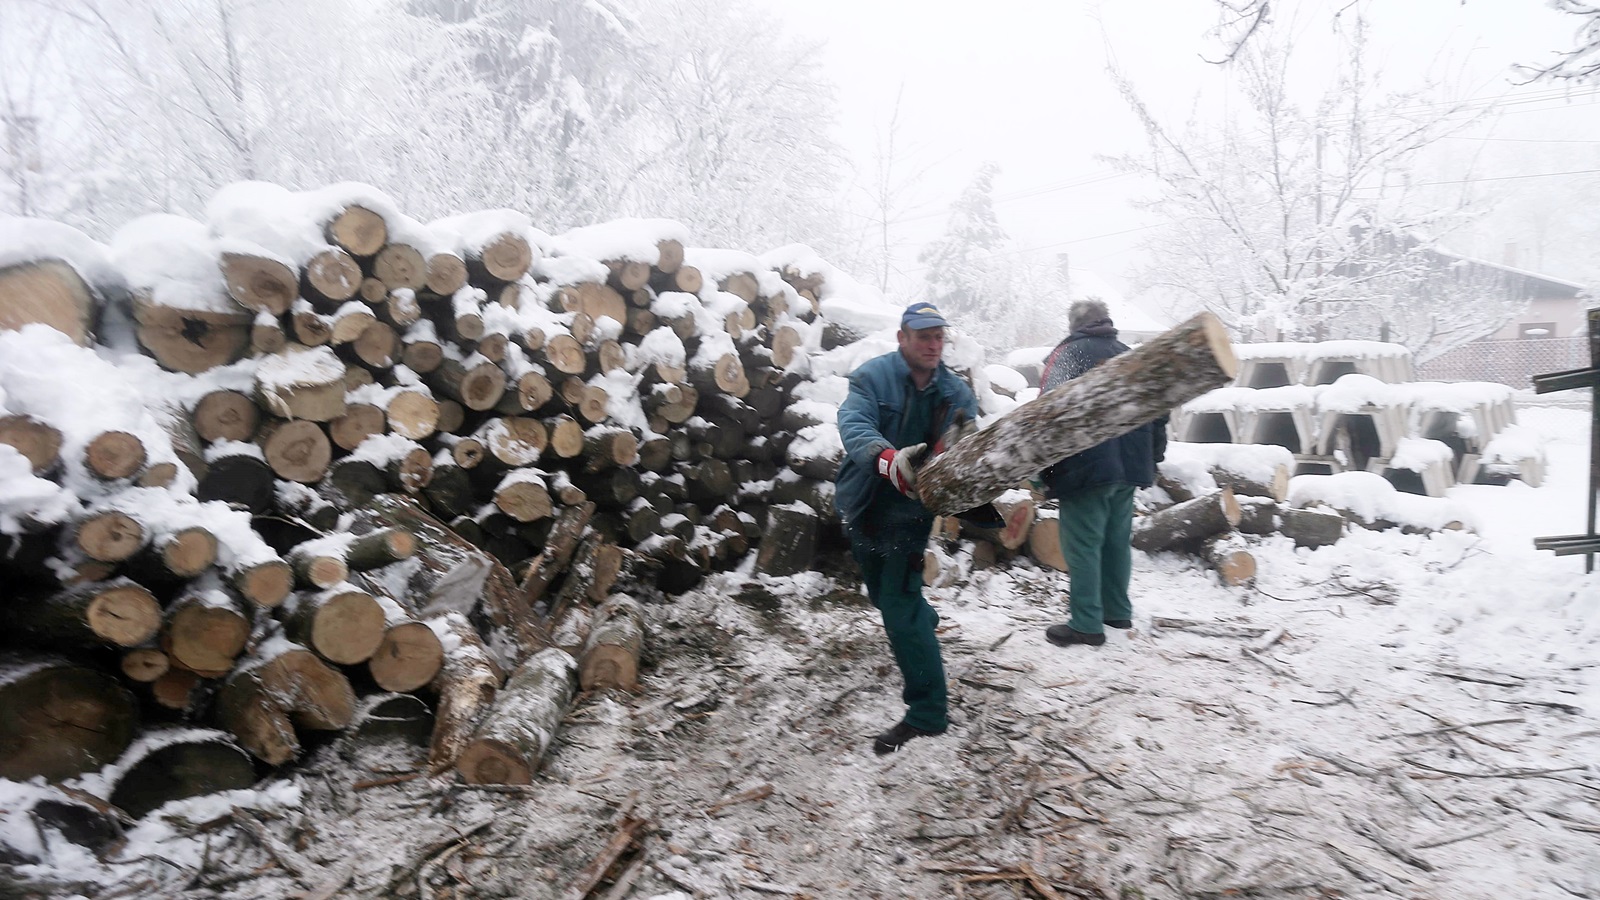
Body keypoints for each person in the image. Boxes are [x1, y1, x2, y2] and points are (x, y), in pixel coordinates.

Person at [835, 301, 980, 754]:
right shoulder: (872, 377)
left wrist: (952, 448)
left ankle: (927, 712)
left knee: (897, 605)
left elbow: (967, 436)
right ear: (902, 338)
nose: (934, 344)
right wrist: (887, 459)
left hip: (912, 511)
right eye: (923, 336)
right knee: (884, 596)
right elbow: (854, 423)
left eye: (940, 336)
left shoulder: (955, 391)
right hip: (866, 499)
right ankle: (919, 625)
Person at [1037, 298, 1167, 648]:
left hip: (1086, 465)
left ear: (1075, 325)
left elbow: (1047, 412)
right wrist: (1152, 456)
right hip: (1131, 464)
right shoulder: (1130, 355)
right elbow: (1159, 408)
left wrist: (1044, 471)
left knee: (1082, 545)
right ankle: (1116, 611)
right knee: (1115, 541)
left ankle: (1086, 623)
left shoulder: (1068, 355)